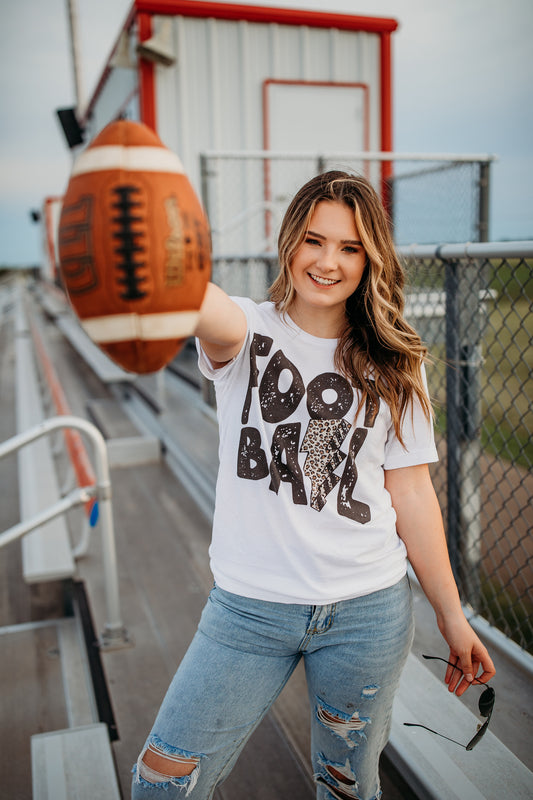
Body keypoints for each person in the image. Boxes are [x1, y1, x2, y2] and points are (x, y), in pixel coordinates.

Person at [132, 171, 495, 799]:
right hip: (249, 610)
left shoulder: (396, 360)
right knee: (163, 780)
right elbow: (198, 301)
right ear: (289, 243)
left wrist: (451, 614)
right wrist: (146, 237)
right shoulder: (247, 331)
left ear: (370, 259)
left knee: (347, 787)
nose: (328, 261)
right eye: (313, 240)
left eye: (350, 248)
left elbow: (410, 495)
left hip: (367, 611)